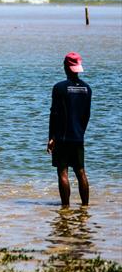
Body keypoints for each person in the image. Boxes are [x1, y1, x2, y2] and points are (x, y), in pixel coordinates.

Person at [48, 52, 92, 207]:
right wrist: (80, 132)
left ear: (66, 67)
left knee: (63, 172)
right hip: (78, 136)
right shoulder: (87, 89)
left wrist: (51, 137)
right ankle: (85, 207)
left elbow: (54, 114)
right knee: (81, 172)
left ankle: (65, 207)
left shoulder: (59, 88)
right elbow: (87, 115)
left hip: (62, 137)